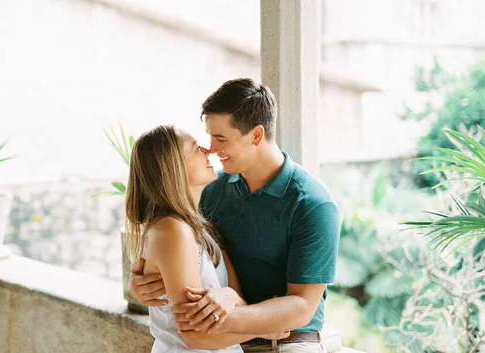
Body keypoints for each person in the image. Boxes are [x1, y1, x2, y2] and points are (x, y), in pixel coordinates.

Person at [130, 79, 342, 353]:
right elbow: (173, 254)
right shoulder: (209, 190)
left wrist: (225, 310)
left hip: (286, 341)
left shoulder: (312, 204)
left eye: (221, 139)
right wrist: (144, 286)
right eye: (209, 138)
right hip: (223, 339)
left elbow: (301, 307)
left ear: (256, 135)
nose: (212, 149)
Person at [124, 125, 289, 352]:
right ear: (174, 167)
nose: (207, 150)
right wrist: (264, 329)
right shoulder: (172, 231)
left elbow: (237, 298)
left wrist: (228, 296)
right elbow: (196, 336)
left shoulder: (199, 227)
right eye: (195, 148)